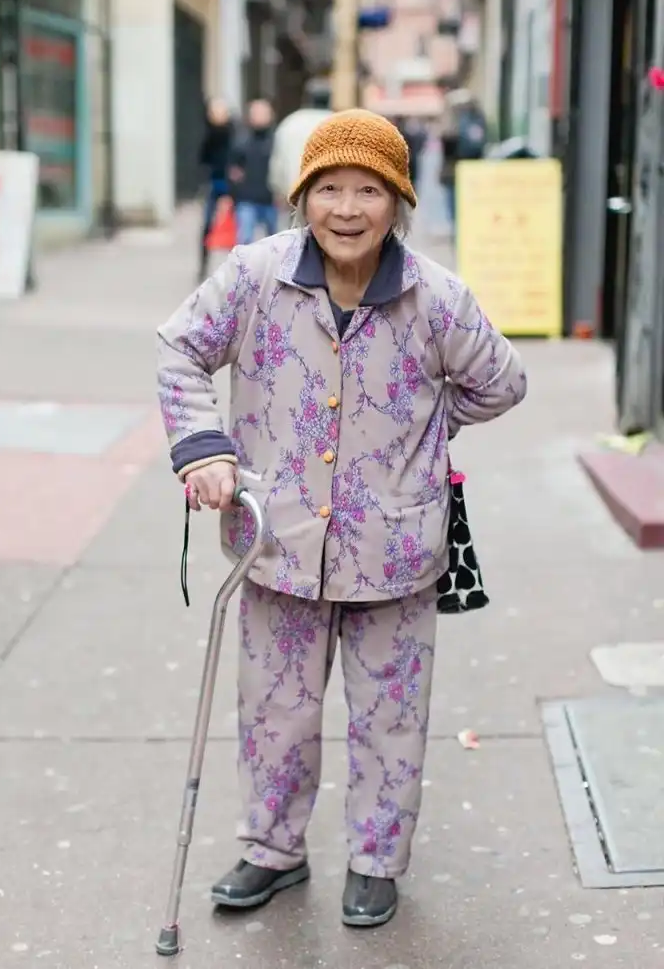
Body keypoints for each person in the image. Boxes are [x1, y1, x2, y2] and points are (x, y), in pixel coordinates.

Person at [157, 109, 526, 929]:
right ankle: (272, 849)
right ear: (302, 197)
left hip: (395, 551)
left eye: (369, 190)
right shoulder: (254, 276)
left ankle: (376, 861)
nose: (348, 209)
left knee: (391, 716)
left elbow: (502, 380)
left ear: (399, 201)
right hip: (277, 545)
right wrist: (203, 448)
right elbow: (180, 349)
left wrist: (425, 424)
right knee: (274, 711)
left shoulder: (436, 298)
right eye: (330, 189)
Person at [268, 90, 333, 220]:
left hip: (293, 192)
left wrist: (278, 189)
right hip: (328, 194)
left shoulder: (291, 122)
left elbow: (277, 162)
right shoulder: (337, 122)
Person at [228, 99, 278, 244]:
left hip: (270, 199)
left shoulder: (276, 140)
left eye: (263, 113)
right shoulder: (241, 141)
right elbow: (232, 170)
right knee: (245, 240)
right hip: (246, 199)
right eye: (256, 113)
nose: (260, 116)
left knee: (277, 243)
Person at [197, 97, 235, 282]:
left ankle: (236, 269)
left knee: (236, 229)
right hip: (214, 185)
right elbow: (203, 161)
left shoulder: (235, 135)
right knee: (207, 226)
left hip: (232, 188)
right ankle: (203, 265)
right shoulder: (207, 135)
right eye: (215, 111)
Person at [439, 89, 487, 233]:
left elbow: (454, 147)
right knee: (463, 212)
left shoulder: (461, 122)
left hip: (458, 173)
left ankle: (460, 237)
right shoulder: (476, 121)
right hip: (464, 173)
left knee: (457, 213)